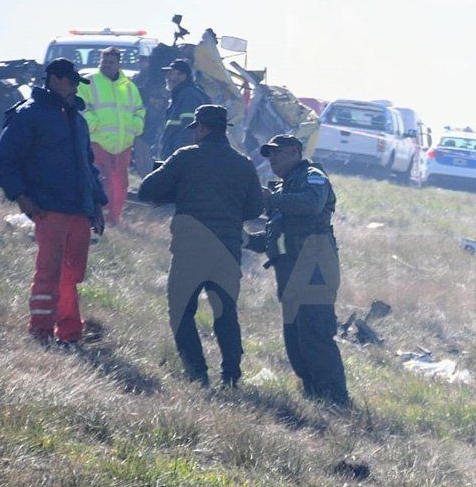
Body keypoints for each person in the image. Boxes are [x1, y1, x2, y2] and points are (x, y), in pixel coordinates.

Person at [138, 105, 263, 387]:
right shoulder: (243, 163)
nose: (195, 134)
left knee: (181, 311)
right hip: (227, 249)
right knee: (225, 314)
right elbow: (255, 207)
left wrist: (179, 190)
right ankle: (231, 375)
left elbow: (147, 190)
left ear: (203, 128)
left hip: (190, 249)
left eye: (196, 129)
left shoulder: (185, 157)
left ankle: (197, 375)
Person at [0, 58, 108, 344]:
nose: (74, 89)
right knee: (49, 273)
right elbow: (3, 159)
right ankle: (40, 331)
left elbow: (87, 166)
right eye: (70, 82)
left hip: (78, 210)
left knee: (72, 275)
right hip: (48, 208)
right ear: (54, 79)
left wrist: (95, 205)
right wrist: (20, 196)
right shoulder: (28, 114)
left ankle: (69, 332)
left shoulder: (77, 121)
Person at [252, 134, 349, 405]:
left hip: (314, 267)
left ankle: (335, 399)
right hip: (292, 272)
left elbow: (311, 204)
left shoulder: (312, 175)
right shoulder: (285, 186)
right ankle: (314, 393)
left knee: (315, 334)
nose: (272, 159)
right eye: (269, 155)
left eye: (278, 152)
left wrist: (272, 200)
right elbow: (278, 236)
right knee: (295, 339)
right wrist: (247, 240)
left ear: (295, 152)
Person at [78, 46, 145, 224]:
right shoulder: (88, 83)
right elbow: (80, 107)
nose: (107, 65)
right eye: (104, 61)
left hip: (123, 144)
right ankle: (102, 217)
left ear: (119, 64)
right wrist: (95, 124)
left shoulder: (130, 86)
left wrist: (135, 126)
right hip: (98, 141)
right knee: (102, 181)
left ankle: (114, 218)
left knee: (121, 184)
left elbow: (139, 110)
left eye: (111, 62)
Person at [160, 58, 210, 159]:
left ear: (183, 76)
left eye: (171, 73)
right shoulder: (180, 94)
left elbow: (190, 128)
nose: (167, 77)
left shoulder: (188, 95)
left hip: (180, 156)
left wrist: (180, 152)